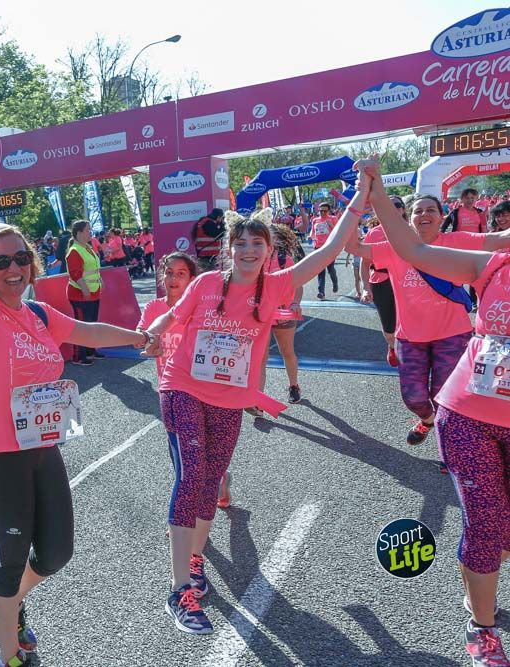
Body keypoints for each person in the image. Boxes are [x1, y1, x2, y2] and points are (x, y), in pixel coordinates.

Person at [0, 103, 151, 667]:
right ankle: (10, 654)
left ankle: (9, 605)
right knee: (8, 561)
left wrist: (139, 339)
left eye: (20, 257)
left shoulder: (38, 313)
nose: (13, 267)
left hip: (41, 447)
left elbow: (85, 327)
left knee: (58, 551)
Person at [144, 157, 374, 635]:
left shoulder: (277, 286)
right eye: (240, 243)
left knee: (210, 481)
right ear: (229, 250)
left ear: (269, 250)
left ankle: (194, 559)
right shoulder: (207, 283)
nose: (248, 249)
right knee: (190, 474)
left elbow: (330, 249)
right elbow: (173, 317)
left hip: (230, 398)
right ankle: (179, 588)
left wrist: (362, 194)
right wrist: (152, 331)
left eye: (257, 243)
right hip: (183, 386)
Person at [365, 165, 510, 667]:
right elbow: (415, 251)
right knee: (486, 523)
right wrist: (380, 193)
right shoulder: (492, 262)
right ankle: (483, 628)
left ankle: (477, 576)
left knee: (502, 532)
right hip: (468, 411)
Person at [345, 191, 510, 453]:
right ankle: (427, 420)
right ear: (408, 220)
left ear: (441, 216)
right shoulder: (394, 248)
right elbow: (353, 247)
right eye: (418, 211)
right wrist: (355, 211)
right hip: (410, 336)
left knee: (445, 398)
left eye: (431, 210)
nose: (424, 215)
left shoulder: (457, 240)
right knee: (414, 397)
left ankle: (449, 449)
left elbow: (499, 239)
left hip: (453, 335)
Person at [138, 252, 233, 511]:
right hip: (171, 393)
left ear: (192, 280)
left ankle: (219, 480)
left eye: (181, 274)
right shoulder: (153, 308)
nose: (173, 279)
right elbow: (143, 336)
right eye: (169, 273)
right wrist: (150, 346)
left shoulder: (203, 308)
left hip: (202, 392)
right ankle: (184, 515)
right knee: (181, 457)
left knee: (205, 455)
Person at [256, 219, 305, 406]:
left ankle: (294, 386)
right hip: (260, 314)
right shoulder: (254, 257)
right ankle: (258, 399)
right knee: (260, 357)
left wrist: (295, 303)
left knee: (287, 351)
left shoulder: (285, 259)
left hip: (283, 312)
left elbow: (297, 285)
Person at [360, 200, 404, 367]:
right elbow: (365, 264)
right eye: (387, 206)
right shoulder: (374, 233)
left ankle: (408, 352)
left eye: (397, 206)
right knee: (389, 323)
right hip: (381, 281)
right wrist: (365, 288)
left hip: (406, 281)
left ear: (402, 210)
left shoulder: (411, 230)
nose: (392, 210)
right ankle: (392, 345)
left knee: (408, 320)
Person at [65, 219, 102, 366]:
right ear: (79, 233)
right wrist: (85, 289)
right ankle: (78, 356)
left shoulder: (87, 247)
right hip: (80, 294)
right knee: (81, 326)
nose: (90, 233)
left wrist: (100, 281)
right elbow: (76, 273)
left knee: (91, 323)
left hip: (93, 292)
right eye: (87, 230)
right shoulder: (75, 250)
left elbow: (93, 268)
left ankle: (90, 350)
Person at [309, 202, 339, 299]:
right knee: (320, 270)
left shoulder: (333, 218)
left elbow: (338, 231)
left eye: (324, 211)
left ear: (329, 211)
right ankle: (321, 292)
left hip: (329, 247)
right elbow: (312, 231)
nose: (322, 213)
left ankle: (335, 282)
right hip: (318, 247)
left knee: (330, 269)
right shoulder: (315, 220)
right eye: (320, 211)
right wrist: (310, 236)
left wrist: (331, 225)